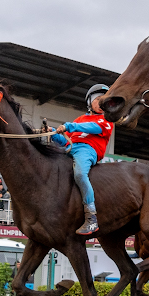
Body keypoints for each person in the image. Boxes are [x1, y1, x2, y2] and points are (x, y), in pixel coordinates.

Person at [50, 84, 114, 235]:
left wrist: (69, 126)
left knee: (79, 174)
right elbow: (66, 141)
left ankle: (91, 217)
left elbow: (92, 127)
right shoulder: (80, 119)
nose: (101, 103)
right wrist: (52, 132)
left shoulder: (106, 120)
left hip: (88, 150)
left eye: (105, 101)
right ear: (90, 101)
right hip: (71, 148)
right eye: (98, 99)